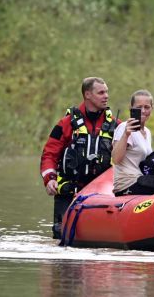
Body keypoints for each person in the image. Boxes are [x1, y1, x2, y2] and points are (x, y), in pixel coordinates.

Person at [40, 77, 117, 239]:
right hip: (69, 193)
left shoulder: (115, 125)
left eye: (107, 92)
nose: (106, 96)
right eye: (101, 92)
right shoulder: (67, 123)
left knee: (100, 237)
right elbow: (49, 154)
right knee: (62, 236)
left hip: (102, 194)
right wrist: (50, 179)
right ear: (87, 94)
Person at [112, 90, 154, 196]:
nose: (143, 111)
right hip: (127, 184)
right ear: (131, 108)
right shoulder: (124, 127)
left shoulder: (147, 131)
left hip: (141, 180)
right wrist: (126, 134)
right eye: (139, 107)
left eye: (147, 107)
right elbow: (115, 159)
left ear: (152, 108)